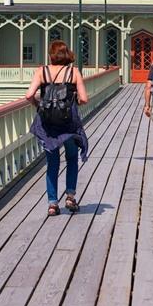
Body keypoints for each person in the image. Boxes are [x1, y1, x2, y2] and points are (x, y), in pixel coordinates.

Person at [26, 40, 89, 216]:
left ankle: (53, 204)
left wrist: (38, 105)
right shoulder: (73, 72)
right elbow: (84, 99)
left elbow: (29, 95)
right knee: (71, 158)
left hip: (48, 124)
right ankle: (70, 196)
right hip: (68, 122)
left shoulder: (41, 71)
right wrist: (71, 102)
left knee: (52, 162)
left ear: (51, 55)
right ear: (66, 53)